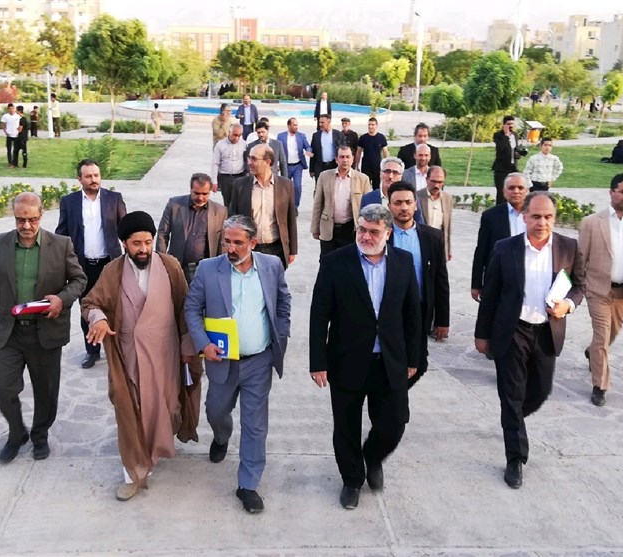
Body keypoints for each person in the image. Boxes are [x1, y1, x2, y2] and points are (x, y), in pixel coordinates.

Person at [82, 211, 200, 501]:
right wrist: (98, 318)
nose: (144, 249)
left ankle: (155, 450)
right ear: (124, 243)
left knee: (165, 407)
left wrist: (188, 347)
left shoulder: (170, 266)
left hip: (166, 355)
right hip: (129, 356)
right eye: (137, 243)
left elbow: (185, 308)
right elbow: (90, 303)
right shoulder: (112, 271)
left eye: (148, 242)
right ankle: (133, 472)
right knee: (129, 411)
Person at [309, 203, 420, 510]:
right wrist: (318, 362)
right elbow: (319, 315)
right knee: (346, 426)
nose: (366, 236)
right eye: (361, 229)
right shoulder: (335, 262)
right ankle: (352, 480)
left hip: (390, 360)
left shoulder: (403, 262)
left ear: (388, 233)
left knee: (395, 421)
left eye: (373, 231)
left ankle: (372, 457)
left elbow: (412, 313)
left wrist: (414, 357)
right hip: (346, 359)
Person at [474, 192, 584, 489]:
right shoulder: (505, 248)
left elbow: (579, 286)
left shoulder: (569, 247)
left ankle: (511, 419)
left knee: (540, 391)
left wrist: (568, 305)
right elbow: (491, 294)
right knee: (511, 395)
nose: (542, 222)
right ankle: (515, 458)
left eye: (548, 217)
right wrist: (482, 334)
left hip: (547, 331)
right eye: (535, 216)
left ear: (554, 218)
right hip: (512, 331)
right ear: (524, 216)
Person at [184, 215, 291, 514]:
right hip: (222, 361)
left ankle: (248, 484)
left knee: (255, 426)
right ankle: (221, 437)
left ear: (253, 243)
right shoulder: (208, 269)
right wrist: (203, 343)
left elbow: (283, 302)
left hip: (259, 361)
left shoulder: (271, 266)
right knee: (215, 412)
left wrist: (281, 334)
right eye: (226, 242)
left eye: (238, 243)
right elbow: (192, 307)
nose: (230, 248)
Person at [0, 192, 86, 464]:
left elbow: (79, 280)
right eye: (20, 220)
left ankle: (40, 435)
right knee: (3, 387)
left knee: (46, 392)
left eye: (31, 219)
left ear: (41, 216)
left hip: (46, 331)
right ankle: (17, 432)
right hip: (10, 332)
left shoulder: (61, 245)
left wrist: (61, 300)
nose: (26, 226)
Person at [56, 159, 126, 369]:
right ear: (80, 179)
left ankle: (117, 350)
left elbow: (125, 230)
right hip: (82, 266)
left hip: (109, 265)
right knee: (87, 309)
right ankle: (92, 351)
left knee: (115, 308)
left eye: (96, 175)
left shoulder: (114, 199)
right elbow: (62, 234)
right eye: (88, 176)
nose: (93, 179)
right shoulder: (69, 202)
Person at [578, 173, 623, 406]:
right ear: (611, 192)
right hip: (598, 289)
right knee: (602, 336)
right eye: (622, 191)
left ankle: (591, 351)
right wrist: (580, 286)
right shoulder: (592, 222)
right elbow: (581, 257)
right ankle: (600, 386)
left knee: (613, 332)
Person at [387, 181, 450, 388]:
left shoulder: (432, 237)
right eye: (398, 203)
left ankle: (398, 394)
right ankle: (393, 400)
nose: (403, 207)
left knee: (418, 362)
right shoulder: (380, 236)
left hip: (420, 311)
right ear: (389, 206)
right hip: (389, 311)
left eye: (408, 202)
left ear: (416, 204)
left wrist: (442, 320)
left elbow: (441, 280)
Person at [229, 144, 297, 269]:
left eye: (254, 159)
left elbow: (291, 219)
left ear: (268, 162)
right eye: (249, 158)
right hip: (249, 249)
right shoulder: (240, 185)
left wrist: (292, 250)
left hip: (276, 249)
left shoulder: (286, 185)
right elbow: (233, 218)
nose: (249, 162)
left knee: (273, 281)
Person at [156, 173, 228, 283]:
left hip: (206, 269)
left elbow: (222, 242)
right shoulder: (174, 205)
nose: (200, 198)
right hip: (179, 266)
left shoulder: (220, 211)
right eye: (197, 193)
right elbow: (162, 234)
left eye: (205, 194)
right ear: (190, 189)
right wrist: (162, 261)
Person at [470, 173, 529, 303]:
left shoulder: (535, 215)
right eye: (511, 188)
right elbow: (481, 251)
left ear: (527, 191)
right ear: (504, 191)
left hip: (530, 276)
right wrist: (476, 284)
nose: (516, 191)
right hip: (499, 279)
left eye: (520, 188)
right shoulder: (491, 216)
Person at [311, 145, 371, 258]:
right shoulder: (324, 176)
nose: (345, 160)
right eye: (342, 157)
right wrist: (315, 227)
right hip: (328, 228)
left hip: (350, 229)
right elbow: (318, 204)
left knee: (348, 261)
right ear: (336, 159)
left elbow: (368, 208)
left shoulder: (363, 179)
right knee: (326, 261)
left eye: (348, 157)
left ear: (353, 158)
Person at [360, 157, 425, 225]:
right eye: (387, 171)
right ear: (380, 174)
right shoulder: (368, 198)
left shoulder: (410, 198)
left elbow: (419, 224)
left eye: (395, 172)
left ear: (401, 176)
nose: (390, 176)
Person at [416, 166, 453, 261]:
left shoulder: (447, 198)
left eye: (440, 182)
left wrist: (448, 249)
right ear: (426, 179)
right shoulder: (417, 196)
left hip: (439, 244)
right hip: (421, 243)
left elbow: (447, 226)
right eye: (433, 181)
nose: (436, 185)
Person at [277, 117, 313, 212]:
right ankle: (285, 206)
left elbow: (308, 146)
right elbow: (277, 150)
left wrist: (308, 151)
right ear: (289, 126)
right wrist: (277, 163)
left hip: (297, 165)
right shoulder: (281, 136)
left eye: (297, 125)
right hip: (285, 166)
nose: (296, 127)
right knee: (285, 187)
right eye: (294, 125)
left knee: (297, 187)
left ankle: (295, 207)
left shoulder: (301, 136)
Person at [212, 124, 247, 209]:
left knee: (240, 201)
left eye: (239, 135)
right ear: (229, 132)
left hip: (240, 176)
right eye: (235, 135)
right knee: (227, 202)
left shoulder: (244, 144)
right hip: (225, 178)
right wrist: (214, 182)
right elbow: (215, 163)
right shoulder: (220, 145)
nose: (237, 138)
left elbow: (247, 160)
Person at [492, 116, 522, 205]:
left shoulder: (515, 135)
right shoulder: (498, 135)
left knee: (513, 191)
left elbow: (515, 149)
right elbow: (500, 148)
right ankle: (500, 210)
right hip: (501, 168)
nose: (511, 126)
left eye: (512, 124)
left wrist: (518, 154)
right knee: (501, 192)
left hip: (513, 167)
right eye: (508, 124)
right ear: (504, 125)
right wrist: (506, 135)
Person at [355, 117, 389, 190]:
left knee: (376, 188)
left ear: (376, 125)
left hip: (377, 167)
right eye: (369, 124)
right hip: (366, 167)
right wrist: (357, 165)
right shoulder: (363, 138)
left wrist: (387, 164)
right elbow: (358, 152)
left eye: (372, 125)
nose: (370, 126)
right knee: (364, 187)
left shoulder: (381, 137)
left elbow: (385, 152)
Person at [310, 114, 344, 180]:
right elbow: (313, 153)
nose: (320, 124)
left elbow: (344, 151)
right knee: (320, 185)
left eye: (322, 122)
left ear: (329, 121)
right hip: (320, 167)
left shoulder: (338, 134)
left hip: (334, 166)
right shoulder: (316, 136)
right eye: (319, 122)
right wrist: (311, 169)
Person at [0, 103, 22, 168]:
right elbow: (3, 124)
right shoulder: (5, 116)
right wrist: (5, 132)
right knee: (9, 150)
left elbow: (21, 124)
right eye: (10, 108)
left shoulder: (18, 116)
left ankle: (15, 162)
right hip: (9, 135)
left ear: (14, 109)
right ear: (8, 109)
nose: (11, 110)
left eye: (12, 108)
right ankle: (10, 162)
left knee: (16, 150)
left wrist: (19, 131)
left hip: (16, 135)